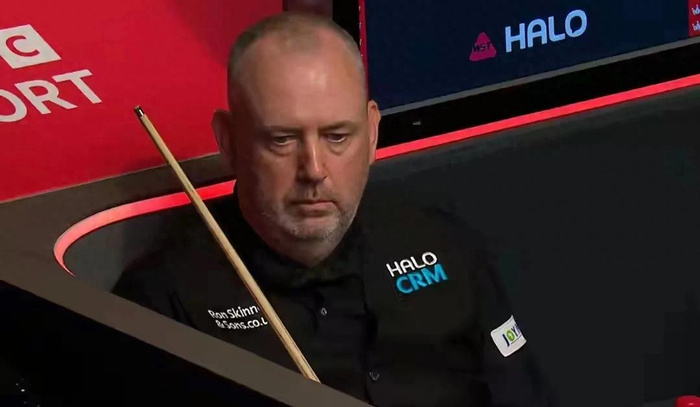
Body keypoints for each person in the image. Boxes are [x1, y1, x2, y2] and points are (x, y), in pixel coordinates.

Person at [113, 12, 555, 407]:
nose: (314, 170)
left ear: (373, 133)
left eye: (337, 137)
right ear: (228, 141)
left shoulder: (440, 241)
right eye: (282, 140)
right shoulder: (164, 303)